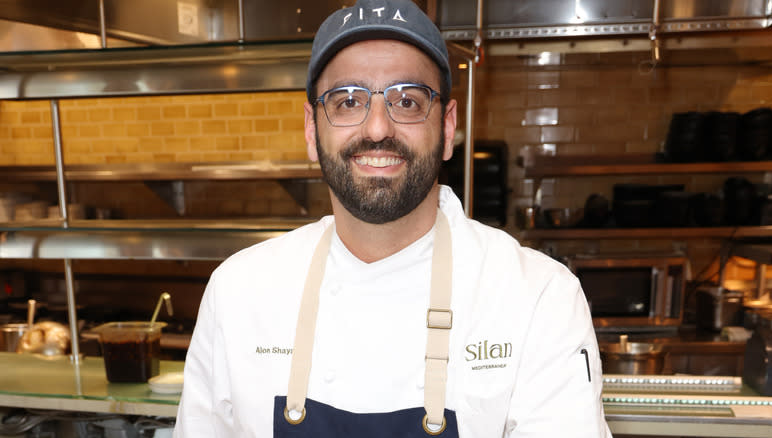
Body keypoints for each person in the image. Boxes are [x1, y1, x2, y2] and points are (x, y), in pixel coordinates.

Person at [174, 0, 612, 436]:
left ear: (447, 128)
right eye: (347, 101)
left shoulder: (538, 298)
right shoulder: (239, 292)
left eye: (407, 100)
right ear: (312, 130)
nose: (378, 128)